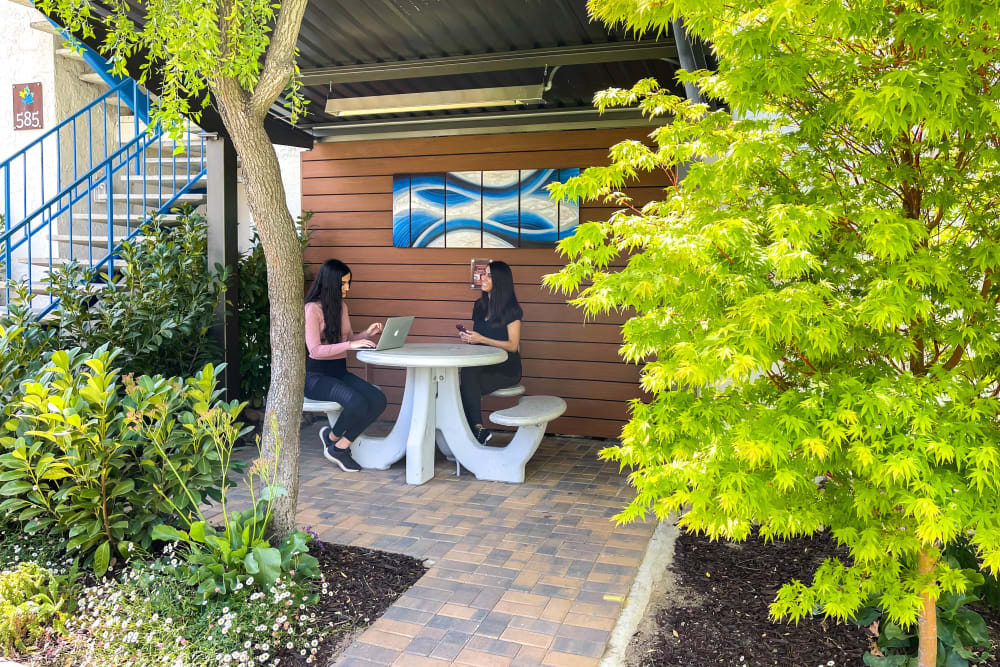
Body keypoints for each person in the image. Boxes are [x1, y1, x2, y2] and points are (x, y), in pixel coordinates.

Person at [304, 259, 387, 472]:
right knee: (357, 402)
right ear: (331, 283)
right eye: (343, 283)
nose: (347, 288)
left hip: (338, 371)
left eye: (349, 282)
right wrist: (352, 343)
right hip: (316, 377)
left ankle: (337, 443)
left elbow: (347, 338)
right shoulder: (312, 309)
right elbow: (315, 350)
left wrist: (366, 334)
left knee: (378, 399)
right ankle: (336, 444)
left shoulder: (342, 307)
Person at [458, 260, 523, 444]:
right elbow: (478, 337)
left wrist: (482, 339)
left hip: (506, 368)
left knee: (463, 387)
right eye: (483, 274)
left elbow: (512, 345)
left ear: (500, 280)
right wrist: (469, 338)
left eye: (488, 275)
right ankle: (477, 430)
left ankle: (472, 432)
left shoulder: (512, 310)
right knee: (467, 377)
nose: (483, 278)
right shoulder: (479, 306)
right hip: (482, 366)